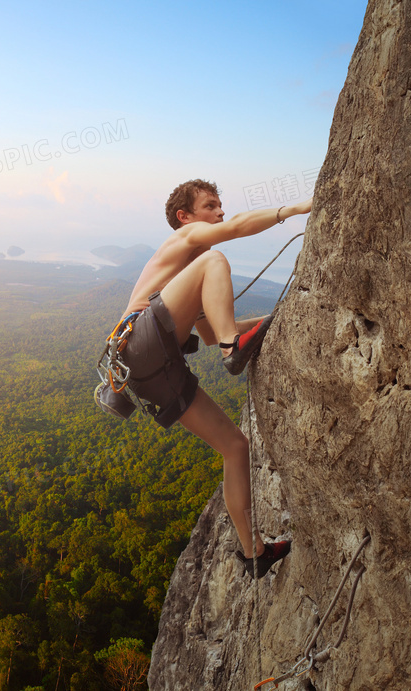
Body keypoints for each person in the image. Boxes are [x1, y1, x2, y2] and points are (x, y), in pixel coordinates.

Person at [117, 179, 311, 578]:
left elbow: (210, 334)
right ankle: (234, 348)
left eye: (221, 206)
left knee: (236, 448)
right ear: (184, 217)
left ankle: (253, 551)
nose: (220, 212)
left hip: (150, 372)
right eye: (211, 206)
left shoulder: (188, 280)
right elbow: (237, 228)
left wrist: (283, 314)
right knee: (216, 259)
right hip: (139, 341)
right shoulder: (187, 240)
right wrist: (293, 210)